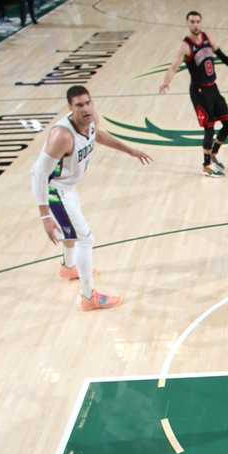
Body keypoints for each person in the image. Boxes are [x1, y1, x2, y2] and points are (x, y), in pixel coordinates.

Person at [31, 86, 152, 311]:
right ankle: (89, 298)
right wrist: (45, 216)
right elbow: (39, 175)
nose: (85, 108)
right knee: (85, 239)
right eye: (79, 105)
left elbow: (97, 135)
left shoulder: (92, 120)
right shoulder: (62, 136)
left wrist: (129, 150)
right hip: (54, 191)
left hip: (67, 186)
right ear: (70, 107)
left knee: (72, 231)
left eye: (88, 102)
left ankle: (69, 267)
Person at [159, 11, 228, 179]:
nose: (195, 25)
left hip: (212, 88)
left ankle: (213, 154)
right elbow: (173, 67)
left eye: (198, 21)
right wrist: (166, 82)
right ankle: (206, 165)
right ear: (187, 23)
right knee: (209, 128)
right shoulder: (185, 46)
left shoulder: (208, 38)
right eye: (192, 22)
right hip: (199, 91)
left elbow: (222, 56)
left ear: (201, 23)